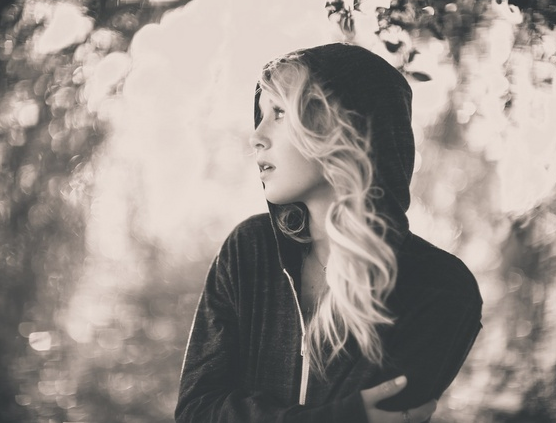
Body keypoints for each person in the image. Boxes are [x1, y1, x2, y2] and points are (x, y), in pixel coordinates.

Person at [175, 43, 483, 423]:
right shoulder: (249, 251)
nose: (256, 136)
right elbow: (195, 410)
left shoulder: (439, 288)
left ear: (345, 127)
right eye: (261, 114)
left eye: (279, 113)